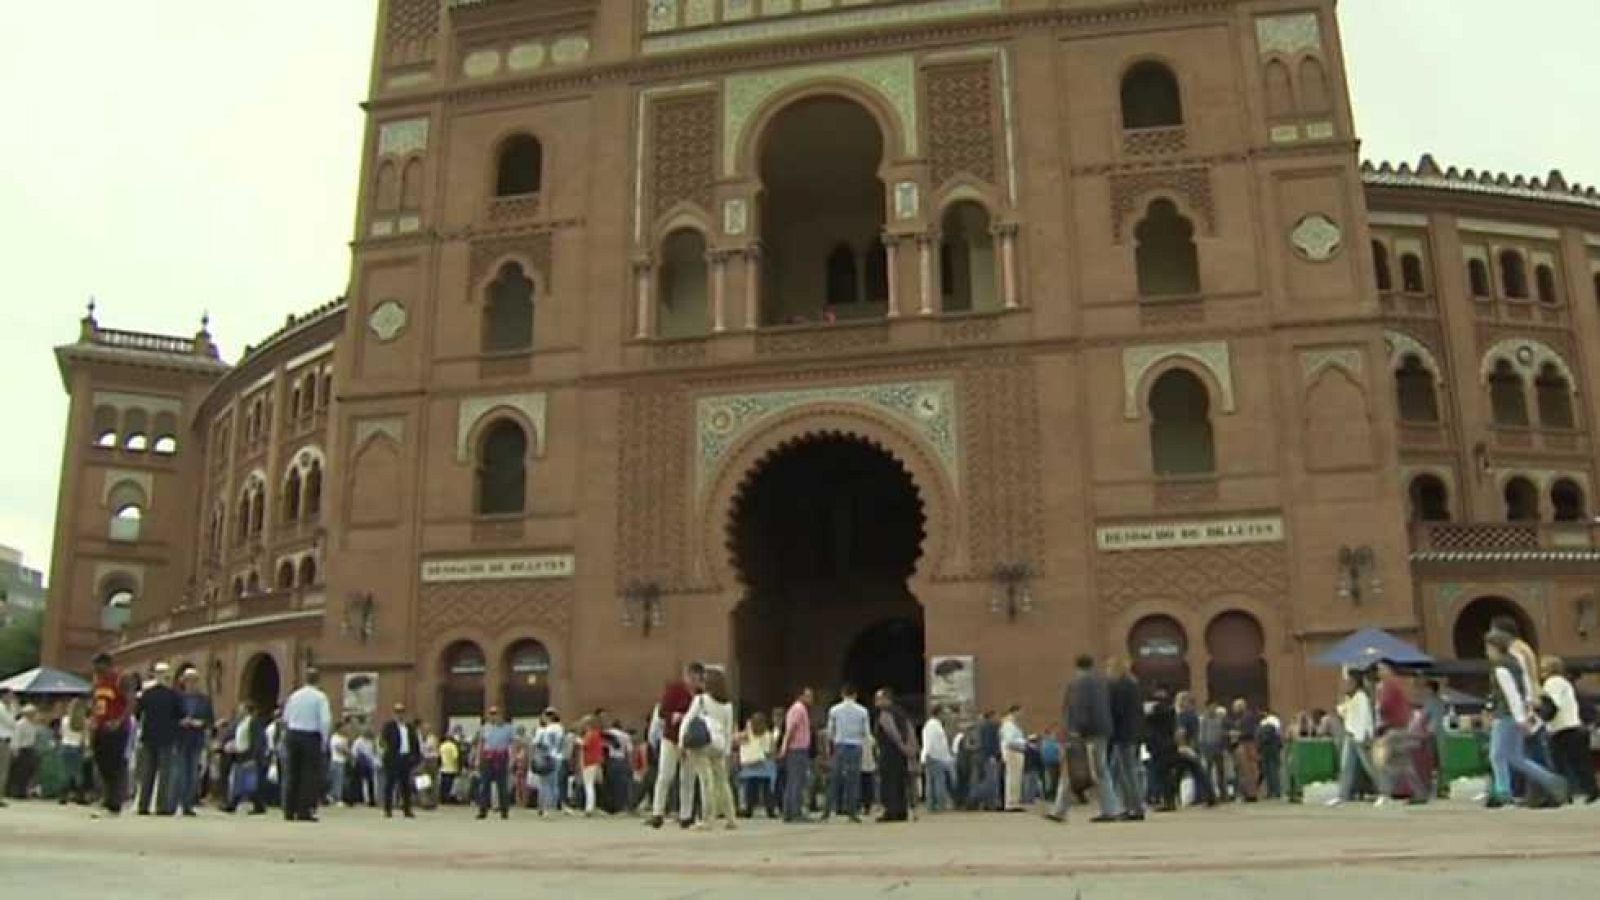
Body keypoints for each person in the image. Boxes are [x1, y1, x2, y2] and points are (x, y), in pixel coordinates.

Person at [1484, 632, 1567, 808]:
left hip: (1506, 714)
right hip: (1517, 713)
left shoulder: (1500, 667)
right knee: (1516, 757)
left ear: (1494, 648)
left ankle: (1503, 791)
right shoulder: (1516, 663)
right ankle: (1551, 780)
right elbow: (1525, 687)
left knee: (1497, 754)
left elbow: (1510, 693)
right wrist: (1527, 708)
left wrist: (1520, 717)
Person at [1049, 655, 1118, 824]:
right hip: (1102, 731)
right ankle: (1109, 809)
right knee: (1102, 770)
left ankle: (1059, 810)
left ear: (1076, 666)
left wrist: (1076, 730)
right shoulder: (1103, 683)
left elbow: (1079, 707)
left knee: (1070, 769)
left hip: (1083, 733)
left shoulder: (1077, 684)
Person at [646, 662, 704, 829]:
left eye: (696, 678)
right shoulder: (675, 690)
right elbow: (663, 711)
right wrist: (674, 715)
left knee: (688, 778)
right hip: (671, 738)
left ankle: (686, 815)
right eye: (690, 676)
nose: (692, 681)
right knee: (665, 774)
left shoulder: (701, 696)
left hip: (690, 741)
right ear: (685, 676)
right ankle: (658, 813)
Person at [684, 668, 737, 830]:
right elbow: (728, 730)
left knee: (706, 781)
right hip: (719, 745)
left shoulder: (700, 700)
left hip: (702, 743)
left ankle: (708, 819)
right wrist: (727, 751)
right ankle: (730, 817)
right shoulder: (727, 705)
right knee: (722, 782)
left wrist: (682, 742)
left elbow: (688, 720)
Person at [1541, 657, 1598, 804]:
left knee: (1559, 764)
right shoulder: (1565, 683)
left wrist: (1543, 715)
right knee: (1580, 762)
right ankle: (1591, 790)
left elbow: (1553, 704)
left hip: (1561, 728)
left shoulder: (1552, 683)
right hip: (1574, 725)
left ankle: (1564, 794)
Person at [280, 669, 332, 822]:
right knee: (309, 775)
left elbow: (286, 717)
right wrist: (324, 740)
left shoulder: (294, 695)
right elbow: (325, 721)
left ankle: (289, 810)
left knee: (292, 773)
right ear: (318, 680)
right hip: (310, 736)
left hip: (293, 733)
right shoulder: (320, 697)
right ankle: (304, 810)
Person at [1373, 661, 1426, 805]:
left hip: (1392, 728)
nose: (1378, 672)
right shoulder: (1399, 684)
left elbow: (1384, 705)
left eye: (1381, 669)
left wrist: (1378, 708)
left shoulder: (1388, 685)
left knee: (1385, 762)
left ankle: (1385, 794)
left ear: (1389, 669)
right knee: (1404, 763)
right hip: (1401, 727)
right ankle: (1419, 793)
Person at [134, 662, 184, 815]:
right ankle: (161, 807)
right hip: (167, 738)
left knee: (147, 773)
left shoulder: (147, 694)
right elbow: (180, 715)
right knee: (164, 774)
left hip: (149, 736)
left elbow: (137, 714)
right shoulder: (173, 695)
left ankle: (143, 805)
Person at [1106, 658, 1146, 820]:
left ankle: (1135, 807)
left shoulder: (1121, 686)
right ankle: (1125, 805)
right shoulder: (1133, 684)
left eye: (1109, 668)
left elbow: (1117, 711)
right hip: (1131, 733)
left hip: (1123, 734)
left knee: (1127, 771)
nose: (1107, 671)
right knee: (1121, 770)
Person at [1330, 673, 1377, 805]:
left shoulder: (1361, 697)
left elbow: (1364, 718)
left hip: (1360, 736)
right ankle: (1342, 795)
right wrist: (1341, 701)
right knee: (1346, 767)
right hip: (1350, 735)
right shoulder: (1351, 698)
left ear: (1356, 682)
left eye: (1349, 681)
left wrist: (1363, 737)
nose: (1346, 684)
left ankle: (1384, 793)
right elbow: (1343, 713)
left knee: (1370, 766)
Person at [825, 684, 870, 821]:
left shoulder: (834, 710)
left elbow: (830, 731)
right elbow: (865, 732)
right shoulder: (862, 711)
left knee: (835, 778)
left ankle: (828, 809)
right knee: (853, 780)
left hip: (840, 745)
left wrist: (829, 746)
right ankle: (852, 811)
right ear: (855, 695)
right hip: (855, 745)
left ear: (842, 694)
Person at [872, 688, 918, 822]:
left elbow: (892, 732)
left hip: (890, 752)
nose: (876, 702)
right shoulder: (902, 713)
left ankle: (891, 811)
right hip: (901, 755)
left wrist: (903, 747)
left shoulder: (886, 713)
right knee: (900, 782)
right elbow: (910, 731)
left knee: (889, 782)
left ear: (887, 699)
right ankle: (901, 811)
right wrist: (911, 749)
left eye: (878, 698)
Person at [175, 668, 214, 816]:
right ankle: (179, 801)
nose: (191, 683)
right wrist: (181, 722)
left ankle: (188, 804)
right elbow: (171, 718)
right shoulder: (177, 698)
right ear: (183, 682)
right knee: (180, 773)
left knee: (192, 773)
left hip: (196, 739)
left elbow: (210, 720)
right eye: (188, 680)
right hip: (181, 739)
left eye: (194, 680)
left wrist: (201, 723)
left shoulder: (204, 700)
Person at [778, 686, 814, 822]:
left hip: (798, 749)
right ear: (801, 696)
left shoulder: (799, 709)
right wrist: (784, 747)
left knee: (793, 781)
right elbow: (791, 729)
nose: (811, 699)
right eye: (809, 696)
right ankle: (795, 812)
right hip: (797, 749)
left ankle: (788, 812)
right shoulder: (798, 709)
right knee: (797, 781)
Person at [476, 706, 516, 820]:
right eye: (491, 714)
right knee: (484, 785)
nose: (493, 716)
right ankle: (483, 810)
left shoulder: (508, 728)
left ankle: (504, 810)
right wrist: (478, 759)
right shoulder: (485, 728)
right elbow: (481, 744)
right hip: (487, 757)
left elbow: (511, 745)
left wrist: (512, 759)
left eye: (496, 714)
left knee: (502, 785)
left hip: (501, 757)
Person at [380, 703, 420, 818]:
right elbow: (383, 741)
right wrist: (386, 754)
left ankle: (407, 809)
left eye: (402, 712)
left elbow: (415, 743)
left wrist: (415, 757)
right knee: (390, 784)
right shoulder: (389, 726)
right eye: (397, 713)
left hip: (406, 758)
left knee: (406, 785)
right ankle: (388, 809)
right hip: (393, 758)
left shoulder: (409, 727)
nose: (400, 715)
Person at [736, 712, 777, 818]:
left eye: (760, 723)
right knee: (750, 790)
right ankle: (749, 809)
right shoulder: (746, 735)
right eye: (755, 723)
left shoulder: (768, 736)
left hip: (765, 767)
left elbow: (772, 751)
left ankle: (770, 810)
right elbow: (736, 741)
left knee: (767, 791)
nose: (757, 726)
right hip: (751, 769)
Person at [920, 705, 956, 813]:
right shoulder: (932, 725)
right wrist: (925, 755)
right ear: (939, 713)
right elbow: (929, 742)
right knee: (938, 782)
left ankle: (933, 804)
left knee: (934, 782)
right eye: (945, 713)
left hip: (938, 756)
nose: (946, 716)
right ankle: (937, 804)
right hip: (934, 756)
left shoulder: (936, 725)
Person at [532, 709, 566, 816]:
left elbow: (541, 744)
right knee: (554, 784)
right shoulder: (560, 728)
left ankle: (545, 807)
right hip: (558, 757)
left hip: (547, 757)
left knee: (545, 783)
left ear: (548, 717)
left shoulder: (546, 730)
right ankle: (554, 806)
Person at [1226, 698, 1260, 803]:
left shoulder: (1246, 717)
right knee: (1245, 771)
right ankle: (1248, 792)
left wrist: (1236, 734)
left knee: (1248, 770)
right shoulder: (1244, 717)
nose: (1234, 710)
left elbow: (1248, 732)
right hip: (1245, 744)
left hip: (1247, 744)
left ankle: (1251, 794)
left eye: (1235, 707)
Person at [58, 696, 90, 805]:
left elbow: (61, 733)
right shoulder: (83, 721)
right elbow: (85, 737)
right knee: (78, 772)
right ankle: (79, 796)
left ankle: (63, 796)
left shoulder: (65, 720)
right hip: (77, 746)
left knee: (66, 771)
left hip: (65, 745)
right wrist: (87, 748)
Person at [999, 705, 1028, 811]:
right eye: (1020, 712)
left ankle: (1015, 802)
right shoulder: (1008, 724)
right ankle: (1010, 803)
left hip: (1017, 752)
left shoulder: (1014, 724)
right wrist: (1023, 741)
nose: (1022, 715)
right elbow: (1009, 740)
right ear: (1014, 712)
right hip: (1012, 752)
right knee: (1012, 778)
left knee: (1016, 778)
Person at [579, 717, 605, 817]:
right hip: (595, 761)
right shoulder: (597, 734)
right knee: (591, 785)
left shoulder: (590, 734)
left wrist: (578, 741)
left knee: (588, 785)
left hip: (589, 762)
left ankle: (589, 808)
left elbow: (585, 744)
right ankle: (591, 806)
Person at [352, 728, 379, 806]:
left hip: (370, 764)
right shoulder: (359, 741)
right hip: (361, 763)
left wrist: (374, 762)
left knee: (371, 782)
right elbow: (354, 752)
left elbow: (374, 753)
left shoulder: (371, 742)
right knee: (361, 782)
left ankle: (371, 799)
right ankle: (359, 799)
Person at [0, 689, 15, 807]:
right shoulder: (2, 708)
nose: (12, 698)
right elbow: (10, 722)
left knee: (4, 771)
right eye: (10, 696)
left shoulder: (10, 709)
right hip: (1, 740)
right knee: (2, 771)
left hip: (7, 740)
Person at [439, 730, 462, 805]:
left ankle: (442, 798)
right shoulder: (453, 746)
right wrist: (458, 767)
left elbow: (439, 756)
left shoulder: (442, 746)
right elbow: (455, 757)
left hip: (443, 768)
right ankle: (446, 798)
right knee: (449, 785)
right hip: (451, 768)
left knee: (443, 784)